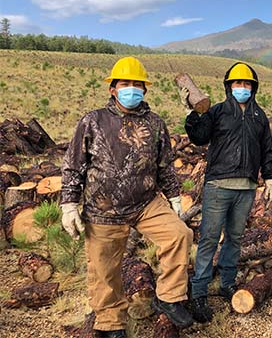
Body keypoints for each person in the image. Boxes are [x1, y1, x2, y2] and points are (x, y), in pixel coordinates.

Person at [60, 57, 194, 338]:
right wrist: (69, 203)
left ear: (145, 90)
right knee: (104, 270)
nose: (131, 89)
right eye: (125, 84)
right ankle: (111, 323)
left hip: (146, 202)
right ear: (112, 88)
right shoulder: (92, 121)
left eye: (137, 85)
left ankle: (168, 297)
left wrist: (174, 197)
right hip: (102, 209)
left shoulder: (155, 123)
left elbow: (165, 165)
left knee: (179, 234)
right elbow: (74, 164)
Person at [180, 62, 272, 323]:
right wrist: (192, 113)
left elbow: (267, 147)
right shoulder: (218, 112)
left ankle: (227, 284)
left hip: (246, 188)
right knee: (210, 238)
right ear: (228, 86)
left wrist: (269, 178)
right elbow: (199, 137)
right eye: (237, 84)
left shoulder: (259, 116)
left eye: (247, 84)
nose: (242, 88)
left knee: (235, 237)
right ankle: (199, 292)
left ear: (253, 87)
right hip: (218, 185)